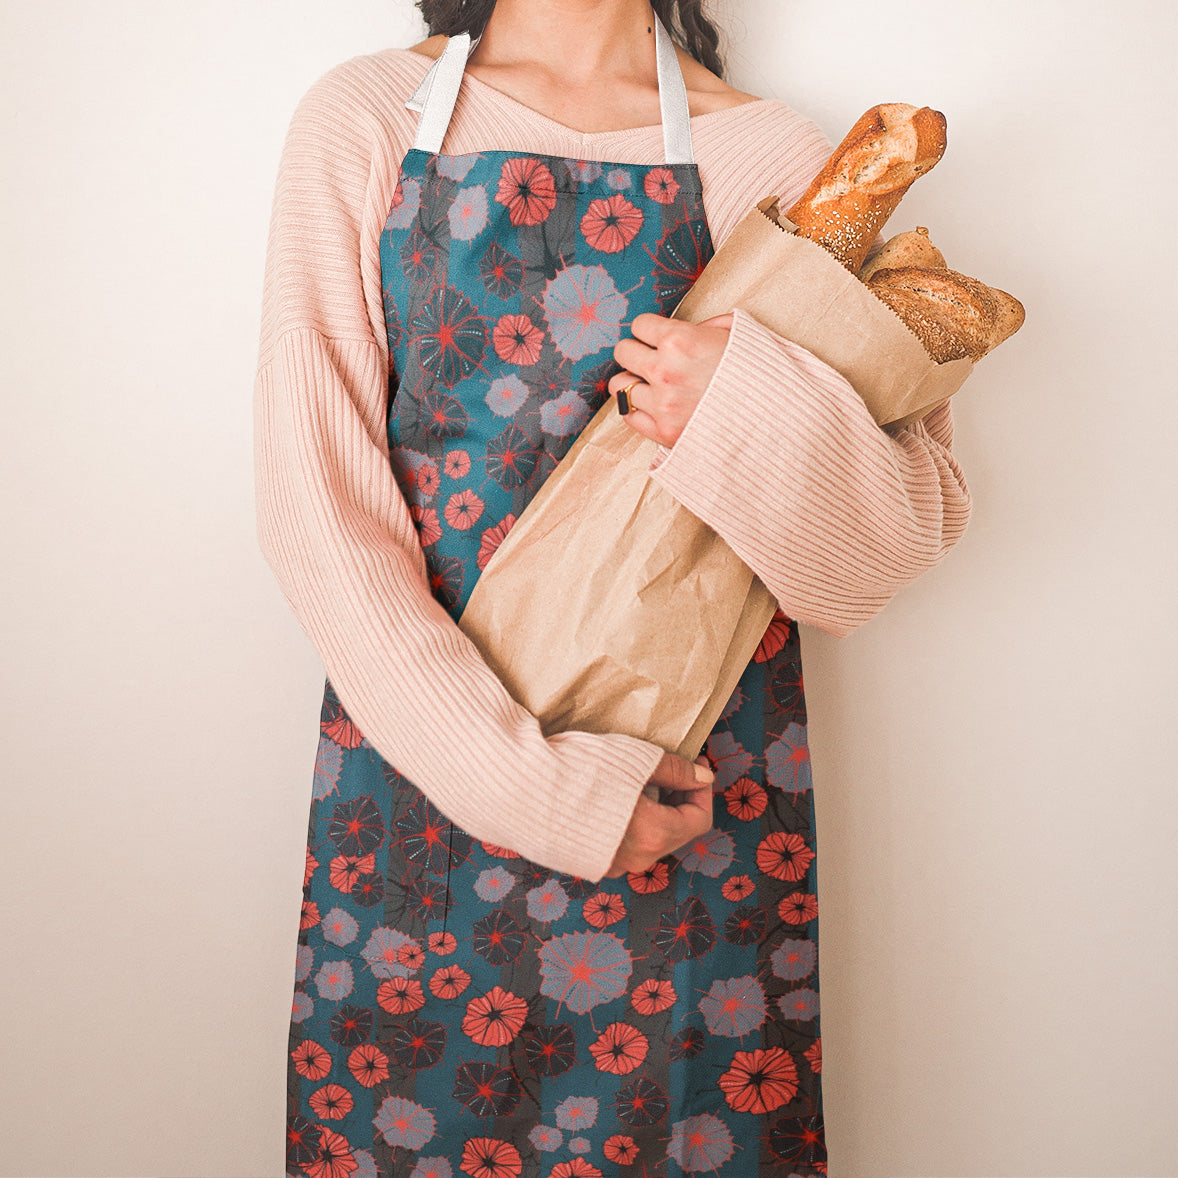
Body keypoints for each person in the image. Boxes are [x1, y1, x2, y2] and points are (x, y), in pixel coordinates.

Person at [255, 2, 971, 1175]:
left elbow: (885, 551)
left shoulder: (781, 164)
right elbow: (315, 507)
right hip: (424, 795)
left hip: (691, 807)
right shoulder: (368, 118)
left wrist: (741, 405)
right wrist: (532, 788)